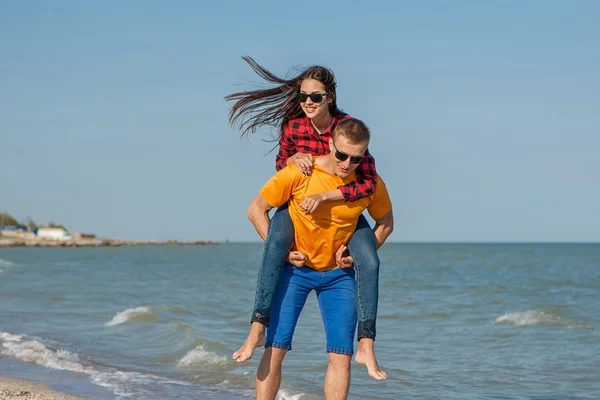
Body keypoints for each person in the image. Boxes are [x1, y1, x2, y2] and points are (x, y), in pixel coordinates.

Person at [226, 57, 386, 379]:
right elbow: (281, 167)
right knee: (274, 244)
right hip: (299, 206)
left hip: (345, 209)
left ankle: (367, 344)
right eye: (303, 97)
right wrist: (294, 160)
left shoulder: (348, 130)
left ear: (330, 97)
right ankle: (257, 326)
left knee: (369, 261)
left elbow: (367, 182)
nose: (308, 103)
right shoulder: (294, 126)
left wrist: (328, 195)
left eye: (316, 96)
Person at [248, 118, 394, 400]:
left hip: (338, 277)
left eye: (355, 158)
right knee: (275, 347)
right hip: (297, 271)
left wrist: (355, 257)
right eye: (341, 155)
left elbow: (386, 223)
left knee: (341, 355)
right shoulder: (302, 171)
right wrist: (283, 252)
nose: (346, 164)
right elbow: (256, 209)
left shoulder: (368, 184)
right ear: (330, 144)